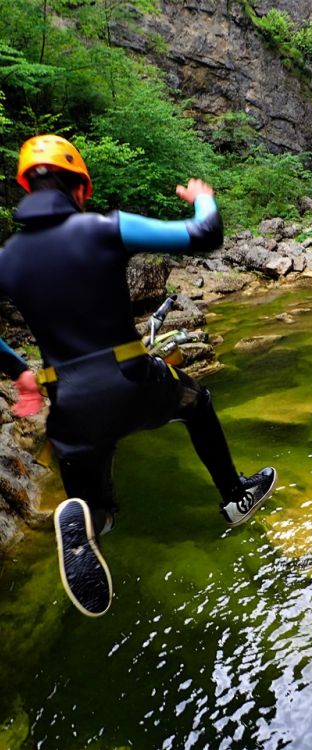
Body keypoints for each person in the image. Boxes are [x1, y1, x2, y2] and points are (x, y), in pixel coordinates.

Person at [0, 134, 277, 617]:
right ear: (81, 189)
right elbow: (204, 234)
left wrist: (21, 371)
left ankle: (87, 522)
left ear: (26, 189)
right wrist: (203, 197)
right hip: (132, 381)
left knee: (97, 512)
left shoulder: (7, 260)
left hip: (69, 407)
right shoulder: (107, 228)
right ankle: (235, 497)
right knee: (197, 402)